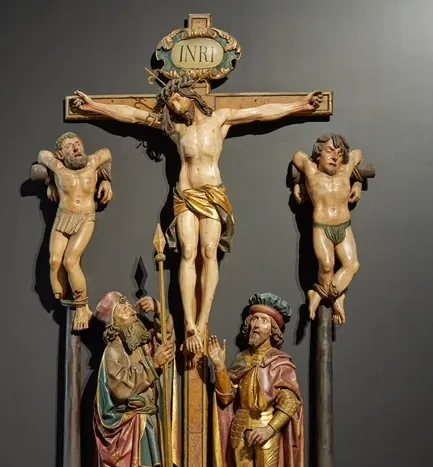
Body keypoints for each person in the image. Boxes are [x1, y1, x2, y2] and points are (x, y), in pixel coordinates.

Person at [72, 78, 323, 350]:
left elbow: (261, 112)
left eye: (177, 99)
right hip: (186, 195)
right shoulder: (176, 128)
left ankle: (203, 320)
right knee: (188, 253)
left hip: (212, 194)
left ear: (189, 94)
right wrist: (94, 106)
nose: (175, 107)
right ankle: (189, 321)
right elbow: (134, 116)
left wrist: (301, 104)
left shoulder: (220, 119)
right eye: (170, 104)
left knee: (209, 252)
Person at [210, 293, 304, 467]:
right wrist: (219, 367)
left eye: (261, 320)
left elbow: (289, 401)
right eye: (252, 320)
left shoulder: (279, 361)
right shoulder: (241, 360)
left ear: (273, 329)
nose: (254, 325)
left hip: (266, 426)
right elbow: (225, 397)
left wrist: (269, 428)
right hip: (240, 426)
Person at [86, 291, 179, 467]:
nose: (132, 309)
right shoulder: (114, 350)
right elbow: (120, 387)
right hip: (131, 429)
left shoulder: (140, 345)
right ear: (115, 321)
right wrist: (153, 365)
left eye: (130, 304)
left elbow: (167, 340)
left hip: (146, 424)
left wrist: (160, 310)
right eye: (123, 307)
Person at [37, 132, 112, 330]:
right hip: (63, 215)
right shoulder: (59, 167)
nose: (77, 148)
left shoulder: (92, 162)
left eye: (78, 143)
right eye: (69, 146)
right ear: (60, 154)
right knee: (55, 261)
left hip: (85, 217)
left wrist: (106, 179)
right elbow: (42, 155)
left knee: (70, 261)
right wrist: (51, 180)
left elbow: (106, 153)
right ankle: (63, 299)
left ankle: (81, 306)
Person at [292, 133, 363, 324]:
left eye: (339, 154)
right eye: (329, 151)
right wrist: (298, 183)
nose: (334, 157)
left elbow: (358, 153)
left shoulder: (345, 169)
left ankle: (322, 294)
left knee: (352, 265)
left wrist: (358, 182)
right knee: (326, 265)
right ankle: (336, 296)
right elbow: (297, 156)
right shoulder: (311, 170)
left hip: (344, 226)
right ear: (318, 153)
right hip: (322, 227)